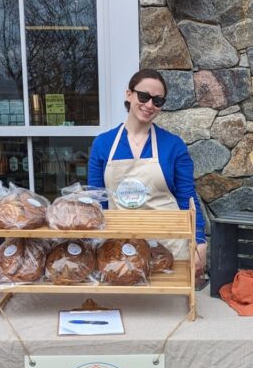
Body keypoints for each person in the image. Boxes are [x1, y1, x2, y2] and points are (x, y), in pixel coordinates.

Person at [88, 69, 207, 275]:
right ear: (129, 95)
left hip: (169, 249)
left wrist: (199, 241)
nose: (149, 105)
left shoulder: (173, 145)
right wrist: (95, 247)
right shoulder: (103, 144)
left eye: (158, 101)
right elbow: (97, 200)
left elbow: (187, 197)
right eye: (144, 96)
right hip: (120, 251)